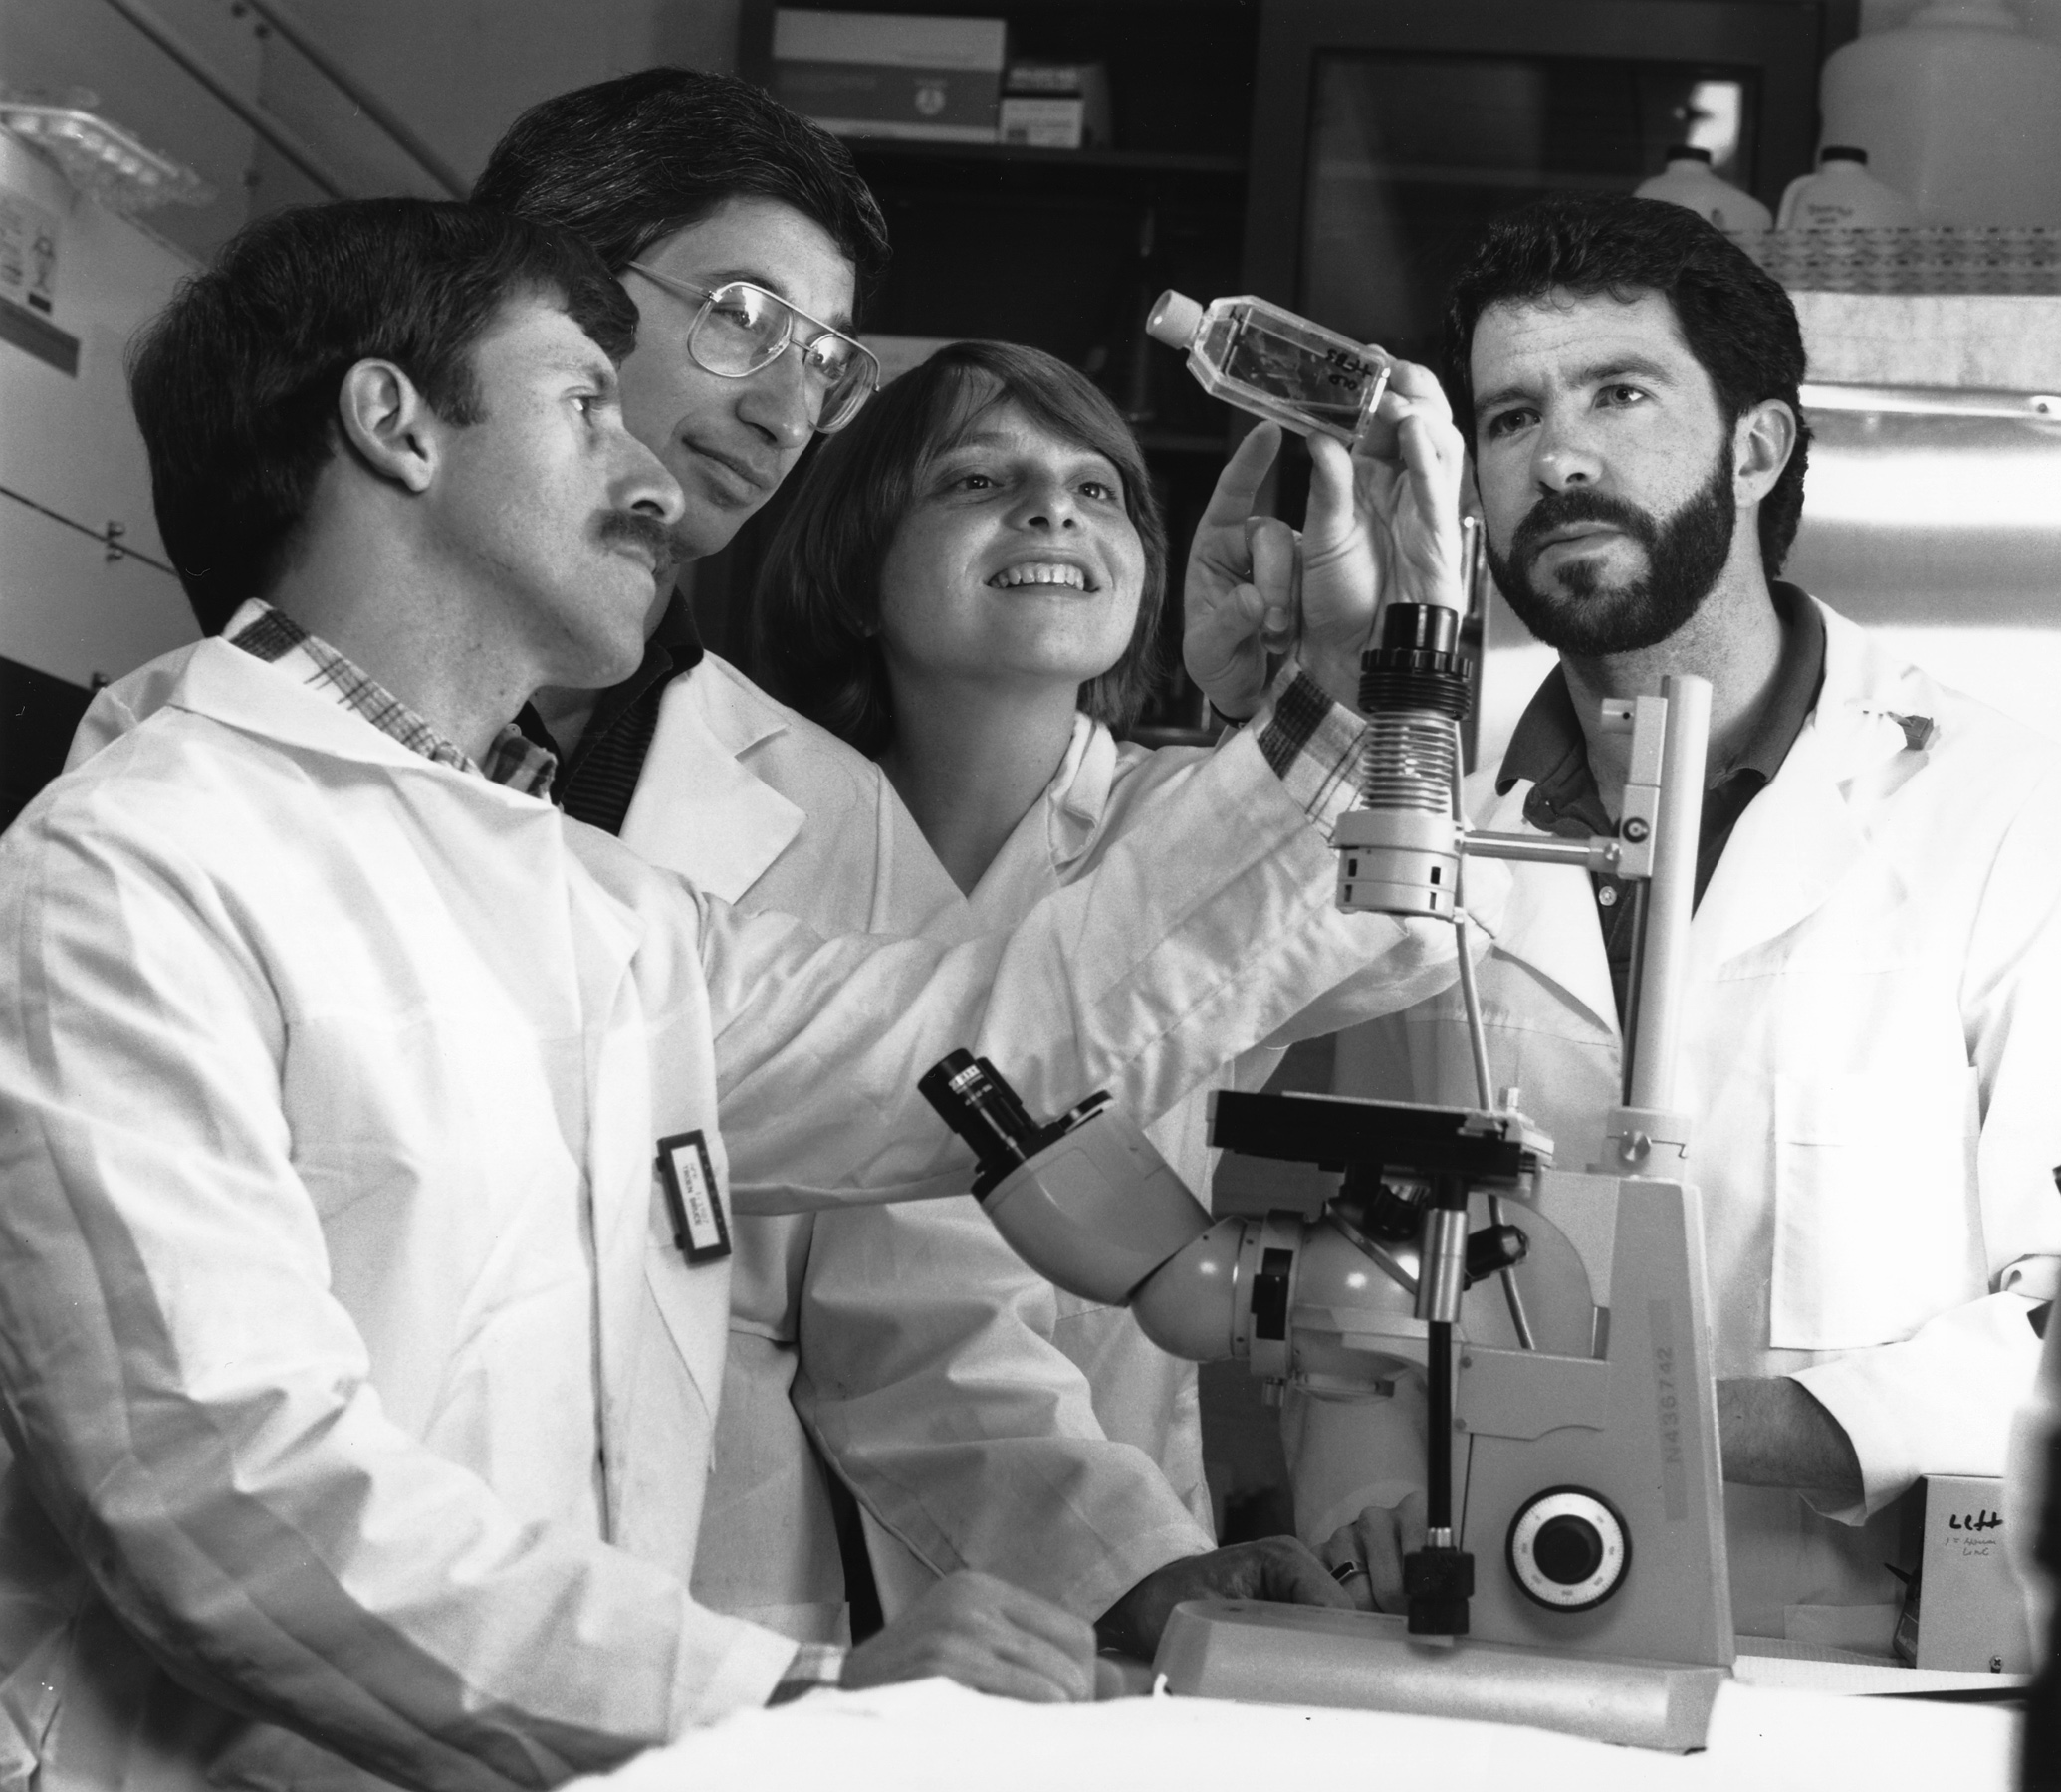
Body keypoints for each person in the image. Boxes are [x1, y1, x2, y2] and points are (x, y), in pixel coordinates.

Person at [0, 197, 1461, 1789]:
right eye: (582, 409)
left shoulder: (598, 912)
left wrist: (1357, 686)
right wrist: (775, 1700)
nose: (654, 484)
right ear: (393, 425)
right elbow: (217, 1484)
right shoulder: (129, 872)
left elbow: (990, 1042)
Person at [466, 68, 1487, 1645]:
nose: (778, 402)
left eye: (817, 358)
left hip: (728, 1623)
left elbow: (924, 1248)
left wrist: (1330, 710)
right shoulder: (219, 787)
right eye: (742, 316)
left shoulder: (817, 801)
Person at [1241, 193, 2061, 1649]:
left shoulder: (2000, 809)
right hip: (1470, 1640)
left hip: (1843, 1670)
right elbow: (1352, 1263)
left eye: (1618, 394)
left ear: (1756, 446)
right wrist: (1372, 1511)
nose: (1556, 456)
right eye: (1505, 419)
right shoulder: (1427, 800)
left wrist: (1666, 1424)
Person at [747, 337, 1472, 1614]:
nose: (1053, 510)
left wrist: (1349, 679)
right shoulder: (746, 830)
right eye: (975, 481)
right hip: (749, 1557)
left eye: (1100, 491)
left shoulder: (1198, 825)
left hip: (1108, 1572)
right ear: (854, 565)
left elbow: (1402, 925)